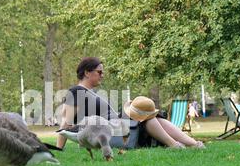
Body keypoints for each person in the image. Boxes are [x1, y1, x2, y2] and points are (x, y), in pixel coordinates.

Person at [57, 57, 204, 149]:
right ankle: (175, 145)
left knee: (153, 115)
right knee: (145, 116)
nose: (103, 75)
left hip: (115, 124)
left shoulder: (89, 93)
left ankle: (192, 143)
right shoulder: (77, 91)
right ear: (87, 73)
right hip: (108, 129)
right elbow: (66, 120)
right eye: (99, 72)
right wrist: (59, 148)